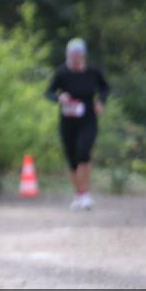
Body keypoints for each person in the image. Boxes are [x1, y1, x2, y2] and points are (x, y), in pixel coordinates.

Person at [45, 38, 110, 210]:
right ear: (67, 55)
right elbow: (49, 92)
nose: (74, 58)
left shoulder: (93, 72)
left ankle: (86, 192)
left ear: (83, 55)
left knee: (84, 152)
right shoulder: (62, 73)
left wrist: (101, 102)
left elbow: (105, 88)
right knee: (72, 158)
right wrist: (59, 97)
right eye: (71, 55)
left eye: (77, 55)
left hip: (88, 119)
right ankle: (78, 194)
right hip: (68, 121)